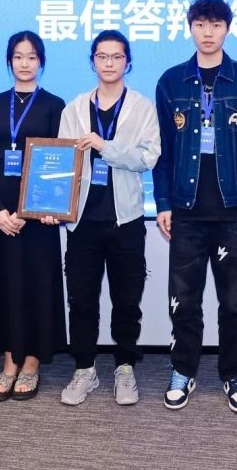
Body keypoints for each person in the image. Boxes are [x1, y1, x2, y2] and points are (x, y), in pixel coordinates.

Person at [153, 0, 237, 413]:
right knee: (183, 301)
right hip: (185, 211)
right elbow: (163, 151)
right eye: (201, 24)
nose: (208, 32)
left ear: (227, 29)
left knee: (233, 303)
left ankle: (233, 371)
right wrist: (162, 201)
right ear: (190, 28)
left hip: (233, 210)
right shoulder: (171, 81)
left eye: (216, 25)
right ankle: (182, 369)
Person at [57, 30, 160, 406]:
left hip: (126, 221)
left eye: (117, 57)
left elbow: (148, 157)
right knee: (81, 300)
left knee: (127, 300)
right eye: (102, 56)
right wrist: (54, 207)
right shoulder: (74, 109)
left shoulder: (143, 107)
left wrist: (106, 147)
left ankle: (125, 368)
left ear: (128, 62)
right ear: (92, 62)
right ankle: (84, 369)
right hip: (82, 222)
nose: (109, 63)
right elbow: (62, 161)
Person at [0, 30, 67, 401]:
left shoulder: (55, 105)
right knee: (4, 285)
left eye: (31, 57)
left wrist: (42, 209)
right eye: (18, 56)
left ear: (41, 62)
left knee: (36, 285)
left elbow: (61, 160)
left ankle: (31, 363)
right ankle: (9, 362)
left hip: (39, 213)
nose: (24, 63)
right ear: (9, 61)